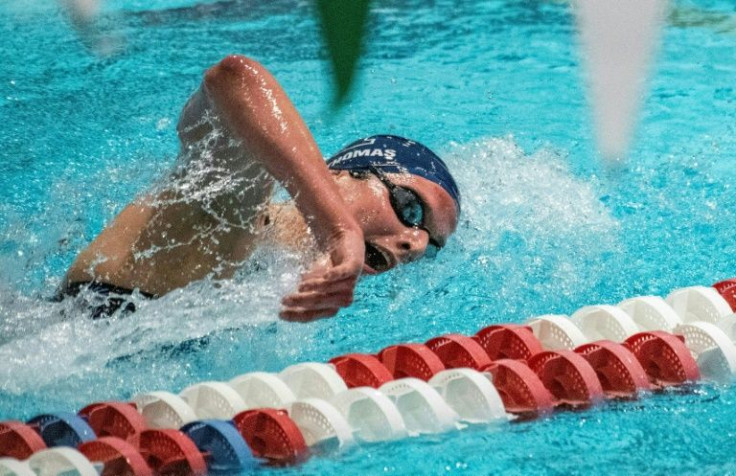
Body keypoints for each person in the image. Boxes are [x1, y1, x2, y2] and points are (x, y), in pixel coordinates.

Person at [57, 55, 461, 321]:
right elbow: (233, 77)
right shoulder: (233, 204)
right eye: (411, 209)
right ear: (337, 174)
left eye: (432, 242)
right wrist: (339, 230)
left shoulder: (285, 281)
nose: (417, 244)